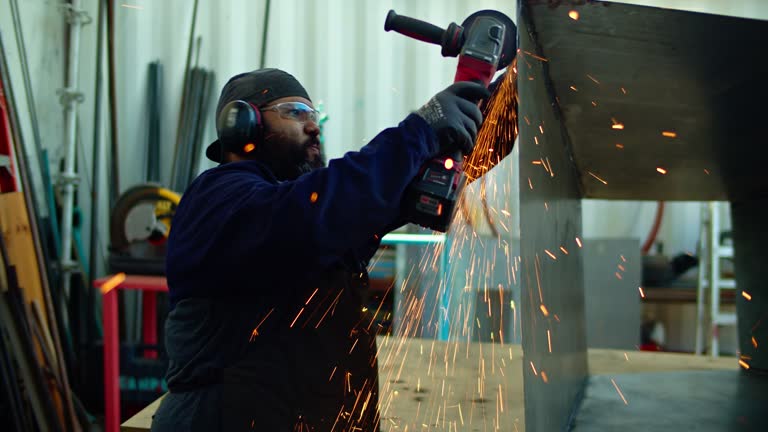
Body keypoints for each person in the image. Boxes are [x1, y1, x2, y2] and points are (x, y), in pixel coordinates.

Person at [150, 68, 489, 431]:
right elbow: (322, 205)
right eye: (295, 112)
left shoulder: (316, 218)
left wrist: (490, 105)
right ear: (243, 125)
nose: (313, 126)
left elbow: (387, 191)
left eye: (314, 116)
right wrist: (421, 130)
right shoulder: (219, 197)